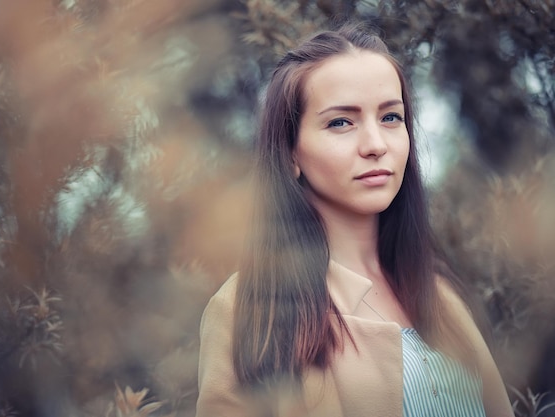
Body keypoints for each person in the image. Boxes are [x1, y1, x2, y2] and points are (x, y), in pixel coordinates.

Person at [196, 24, 514, 417]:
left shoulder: (439, 291)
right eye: (341, 123)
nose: (376, 145)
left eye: (391, 117)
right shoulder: (248, 308)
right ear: (291, 154)